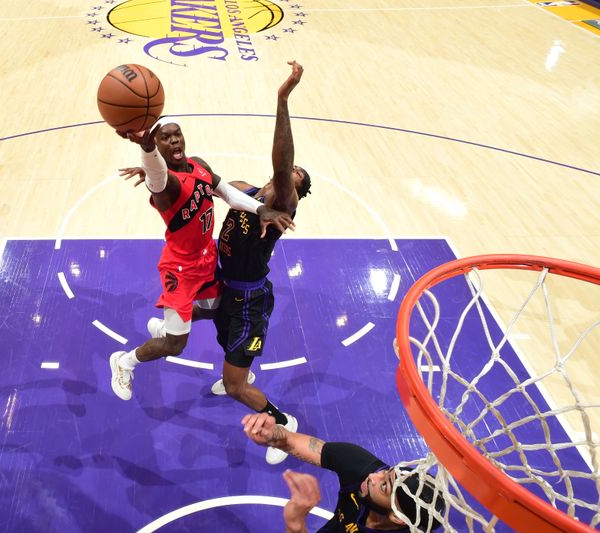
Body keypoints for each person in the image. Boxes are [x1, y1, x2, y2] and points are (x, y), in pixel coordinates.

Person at [144, 62, 312, 464]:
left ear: (292, 194)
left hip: (249, 303)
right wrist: (154, 169)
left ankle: (281, 424)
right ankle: (220, 355)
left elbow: (281, 164)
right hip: (223, 285)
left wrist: (282, 99)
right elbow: (194, 181)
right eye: (289, 174)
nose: (288, 176)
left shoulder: (278, 209)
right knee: (202, 309)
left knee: (234, 386)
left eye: (294, 179)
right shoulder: (241, 190)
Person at [109, 122, 296, 401]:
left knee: (217, 308)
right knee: (175, 345)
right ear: (158, 146)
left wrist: (261, 208)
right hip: (181, 268)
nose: (173, 141)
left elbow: (228, 194)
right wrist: (147, 150)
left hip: (206, 256)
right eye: (165, 138)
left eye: (176, 134)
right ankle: (125, 362)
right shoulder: (166, 187)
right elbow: (158, 178)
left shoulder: (198, 165)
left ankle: (169, 328)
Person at [243, 413, 445, 532]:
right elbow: (289, 440)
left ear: (397, 517)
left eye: (384, 486)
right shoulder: (361, 468)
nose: (373, 477)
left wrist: (295, 524)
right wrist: (272, 435)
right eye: (387, 473)